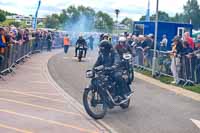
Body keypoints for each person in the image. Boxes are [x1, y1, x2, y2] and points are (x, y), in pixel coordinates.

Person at [93, 35, 131, 99]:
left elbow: (117, 60)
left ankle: (123, 93)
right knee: (98, 80)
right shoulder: (101, 55)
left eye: (103, 48)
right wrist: (93, 69)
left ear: (107, 48)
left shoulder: (114, 53)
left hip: (115, 70)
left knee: (117, 76)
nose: (102, 50)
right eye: (101, 48)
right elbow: (97, 63)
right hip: (105, 70)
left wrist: (114, 66)